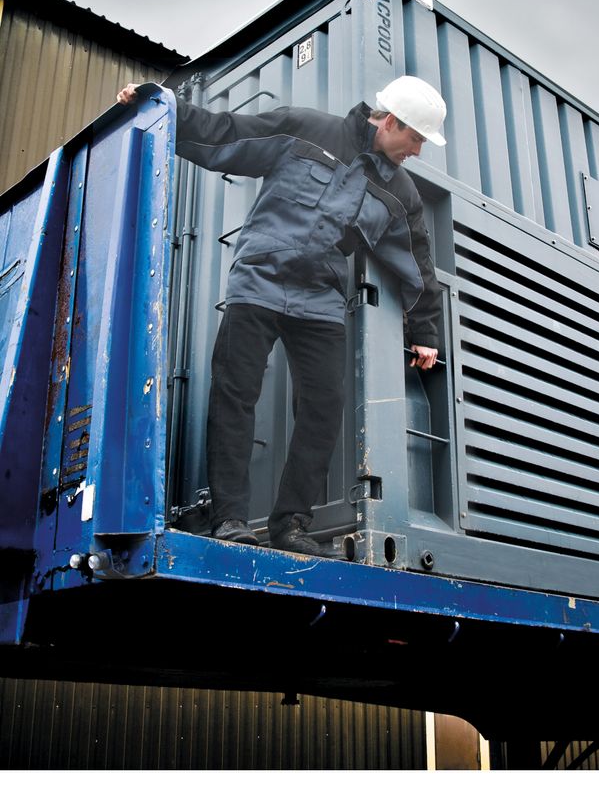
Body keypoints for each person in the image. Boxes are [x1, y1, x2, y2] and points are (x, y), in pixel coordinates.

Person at [117, 76, 446, 556]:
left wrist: (425, 330)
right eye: (415, 138)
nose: (417, 151)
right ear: (391, 122)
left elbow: (417, 263)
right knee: (235, 393)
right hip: (260, 280)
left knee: (323, 408)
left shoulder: (401, 192)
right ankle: (229, 518)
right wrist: (163, 106)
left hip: (321, 299)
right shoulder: (305, 128)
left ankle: (291, 523)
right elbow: (226, 133)